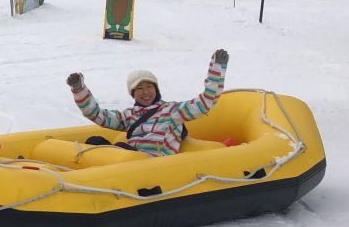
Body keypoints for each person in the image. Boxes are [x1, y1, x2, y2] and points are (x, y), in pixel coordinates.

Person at [65, 49, 229, 157]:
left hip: (152, 164)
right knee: (95, 141)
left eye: (149, 87)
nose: (145, 92)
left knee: (122, 148)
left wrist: (217, 69)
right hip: (128, 159)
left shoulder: (171, 111)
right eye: (139, 88)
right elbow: (97, 115)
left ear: (156, 89)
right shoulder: (129, 116)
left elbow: (205, 103)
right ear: (133, 93)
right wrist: (79, 90)